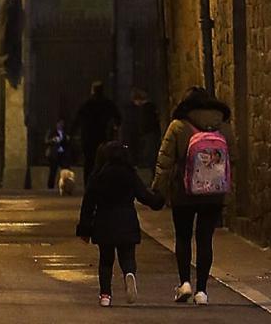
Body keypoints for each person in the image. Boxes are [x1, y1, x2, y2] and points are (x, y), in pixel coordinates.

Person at [153, 86, 233, 305]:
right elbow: (231, 159)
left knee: (183, 237)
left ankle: (184, 283)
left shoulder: (178, 126)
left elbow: (165, 161)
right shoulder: (223, 127)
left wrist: (157, 190)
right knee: (205, 239)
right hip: (213, 194)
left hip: (184, 192)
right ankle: (202, 291)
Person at [76, 141, 165, 308]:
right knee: (127, 257)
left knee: (106, 261)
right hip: (127, 221)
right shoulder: (129, 174)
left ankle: (105, 295)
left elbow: (88, 204)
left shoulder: (98, 176)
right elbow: (145, 196)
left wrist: (85, 228)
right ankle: (129, 273)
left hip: (104, 222)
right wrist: (160, 198)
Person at [73, 81, 122, 185]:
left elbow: (77, 119)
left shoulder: (87, 104)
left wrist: (72, 133)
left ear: (92, 90)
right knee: (102, 162)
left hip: (88, 137)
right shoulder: (107, 103)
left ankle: (88, 184)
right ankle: (102, 184)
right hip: (102, 136)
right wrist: (115, 127)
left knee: (88, 162)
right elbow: (118, 117)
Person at [130, 88, 160, 171]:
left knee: (150, 153)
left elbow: (145, 122)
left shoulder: (145, 109)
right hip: (151, 133)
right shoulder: (150, 107)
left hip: (148, 133)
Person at [45, 119, 70, 190]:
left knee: (65, 170)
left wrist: (67, 139)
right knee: (53, 171)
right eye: (59, 123)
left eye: (62, 123)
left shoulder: (65, 133)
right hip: (54, 154)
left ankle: (65, 186)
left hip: (63, 154)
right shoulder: (52, 132)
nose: (61, 125)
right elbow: (46, 141)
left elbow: (67, 143)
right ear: (56, 124)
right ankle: (50, 187)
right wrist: (53, 140)